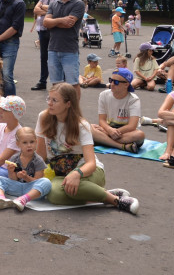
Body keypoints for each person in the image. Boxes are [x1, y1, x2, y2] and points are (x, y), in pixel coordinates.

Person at [37, 83, 138, 212]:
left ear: (68, 104)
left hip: (89, 172)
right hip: (61, 173)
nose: (49, 103)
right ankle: (103, 193)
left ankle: (117, 201)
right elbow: (40, 155)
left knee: (71, 187)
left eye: (54, 100)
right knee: (53, 195)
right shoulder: (43, 117)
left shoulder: (81, 125)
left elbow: (91, 163)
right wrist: (34, 176)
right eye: (48, 98)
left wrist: (77, 173)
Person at [92, 68, 145, 152]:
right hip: (109, 129)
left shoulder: (134, 100)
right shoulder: (103, 95)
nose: (112, 84)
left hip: (126, 132)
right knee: (88, 127)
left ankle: (103, 140)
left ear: (126, 85)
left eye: (116, 82)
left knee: (140, 135)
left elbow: (132, 126)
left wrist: (109, 133)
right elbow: (101, 120)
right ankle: (121, 146)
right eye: (111, 80)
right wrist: (109, 130)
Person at [31, 0, 60, 91]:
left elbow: (58, 10)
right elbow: (35, 9)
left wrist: (44, 8)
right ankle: (42, 81)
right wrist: (48, 9)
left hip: (54, 30)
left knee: (56, 56)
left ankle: (57, 83)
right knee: (44, 56)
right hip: (42, 30)